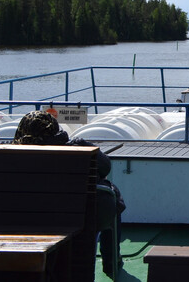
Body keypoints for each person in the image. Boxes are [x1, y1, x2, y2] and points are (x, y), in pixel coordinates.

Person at [13, 110, 125, 277]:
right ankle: (111, 261)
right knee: (110, 194)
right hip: (78, 217)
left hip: (24, 214)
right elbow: (105, 166)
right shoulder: (76, 146)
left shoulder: (11, 153)